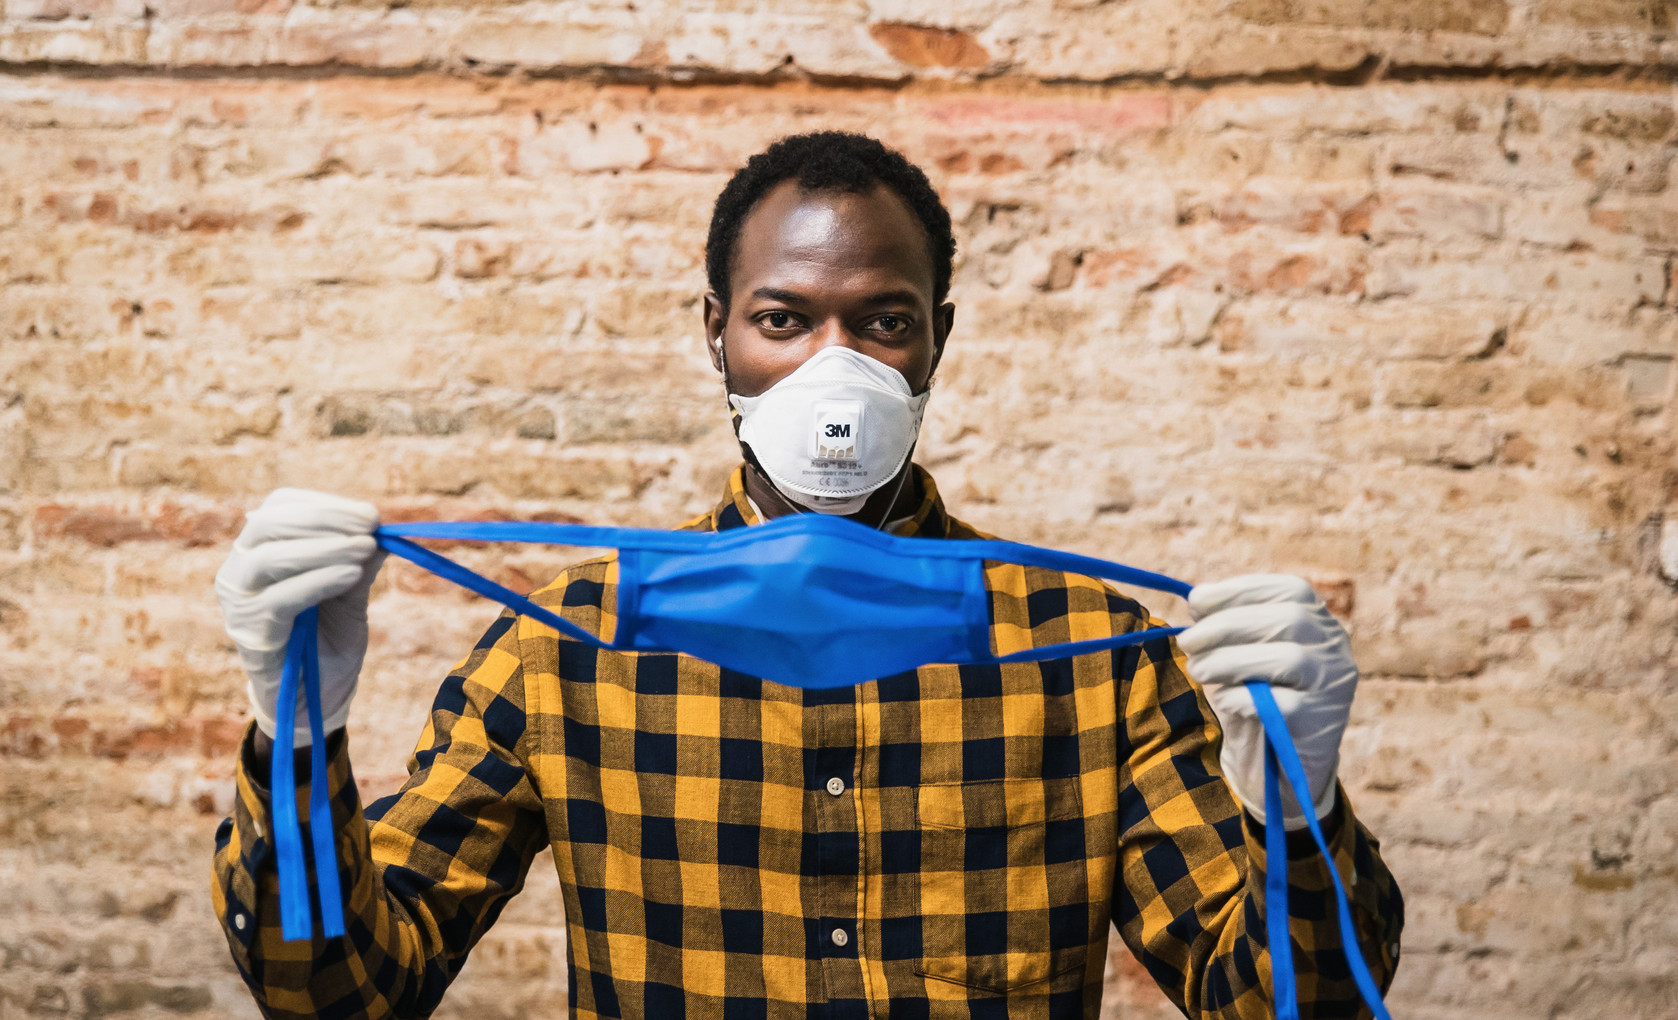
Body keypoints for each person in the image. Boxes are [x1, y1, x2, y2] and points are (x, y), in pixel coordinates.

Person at [211, 131, 1402, 1019]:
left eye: (880, 324)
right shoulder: (568, 641)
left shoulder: (1093, 654)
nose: (834, 375)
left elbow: (1278, 1007)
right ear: (717, 333)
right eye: (784, 321)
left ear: (936, 338)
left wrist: (1290, 803)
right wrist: (297, 730)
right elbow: (337, 995)